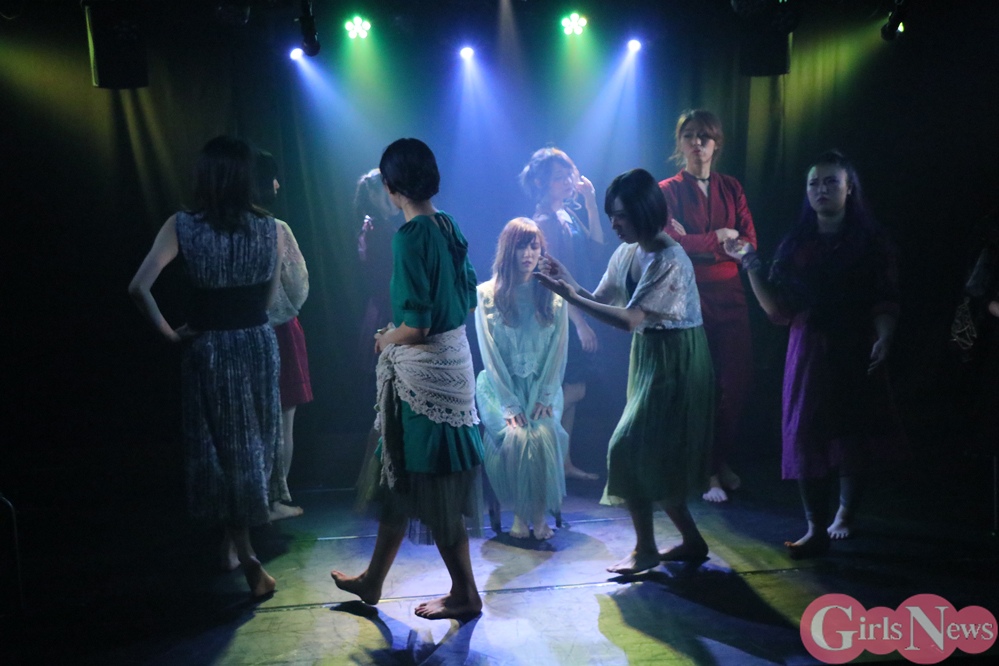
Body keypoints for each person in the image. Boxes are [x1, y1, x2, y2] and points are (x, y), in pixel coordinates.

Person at [724, 150, 906, 558]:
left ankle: (845, 513)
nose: (821, 189)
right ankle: (814, 526)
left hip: (856, 343)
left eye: (830, 182)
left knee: (854, 431)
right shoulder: (796, 245)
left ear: (849, 188)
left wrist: (884, 337)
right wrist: (750, 263)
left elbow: (885, 297)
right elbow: (776, 310)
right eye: (814, 183)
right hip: (810, 348)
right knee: (806, 431)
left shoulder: (871, 242)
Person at [331, 138, 484, 620]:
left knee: (431, 482)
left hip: (426, 378)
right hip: (453, 366)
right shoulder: (448, 224)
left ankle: (465, 594)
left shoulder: (410, 236)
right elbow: (468, 297)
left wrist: (385, 339)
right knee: (397, 472)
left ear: (392, 186)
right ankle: (373, 580)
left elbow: (416, 327)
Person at [128, 136, 286, 597]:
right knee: (252, 448)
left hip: (211, 348)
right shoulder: (271, 228)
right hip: (256, 344)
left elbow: (138, 287)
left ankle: (238, 549)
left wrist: (171, 334)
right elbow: (269, 300)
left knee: (222, 451)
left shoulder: (182, 226)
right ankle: (243, 552)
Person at [535, 168, 714, 574]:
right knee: (651, 453)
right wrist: (568, 283)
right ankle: (690, 540)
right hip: (650, 356)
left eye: (621, 216)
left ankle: (646, 548)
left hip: (677, 359)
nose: (614, 224)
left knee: (628, 446)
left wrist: (570, 295)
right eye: (611, 215)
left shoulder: (669, 258)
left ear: (644, 211)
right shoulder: (628, 253)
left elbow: (629, 319)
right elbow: (600, 298)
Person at [659, 109, 757, 503]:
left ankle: (718, 460)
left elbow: (748, 243)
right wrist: (719, 237)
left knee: (734, 383)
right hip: (690, 297)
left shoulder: (731, 187)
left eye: (705, 136)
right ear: (680, 143)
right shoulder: (667, 191)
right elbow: (671, 244)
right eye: (690, 135)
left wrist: (701, 243)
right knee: (697, 385)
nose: (697, 142)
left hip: (731, 296)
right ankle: (706, 470)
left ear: (717, 143)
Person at [475, 218, 569, 540]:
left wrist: (545, 394)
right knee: (516, 438)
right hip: (500, 389)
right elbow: (489, 355)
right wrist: (510, 402)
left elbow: (559, 350)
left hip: (543, 387)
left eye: (534, 246)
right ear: (508, 250)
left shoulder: (553, 294)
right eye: (521, 247)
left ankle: (536, 517)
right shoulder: (486, 295)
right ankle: (519, 515)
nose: (528, 254)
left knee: (541, 435)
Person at [520, 147, 605, 481]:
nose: (568, 181)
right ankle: (533, 442)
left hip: (576, 306)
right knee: (570, 388)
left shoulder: (566, 214)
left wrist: (591, 203)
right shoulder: (544, 222)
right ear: (541, 183)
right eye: (559, 177)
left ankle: (563, 462)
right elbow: (552, 279)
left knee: (575, 385)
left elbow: (597, 251)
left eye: (569, 174)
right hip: (559, 315)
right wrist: (580, 323)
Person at [255, 150, 313, 521]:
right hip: (278, 328)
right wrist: (284, 307)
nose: (277, 184)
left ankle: (255, 501)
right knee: (282, 420)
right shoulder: (276, 228)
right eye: (272, 177)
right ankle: (273, 499)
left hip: (239, 329)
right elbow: (298, 282)